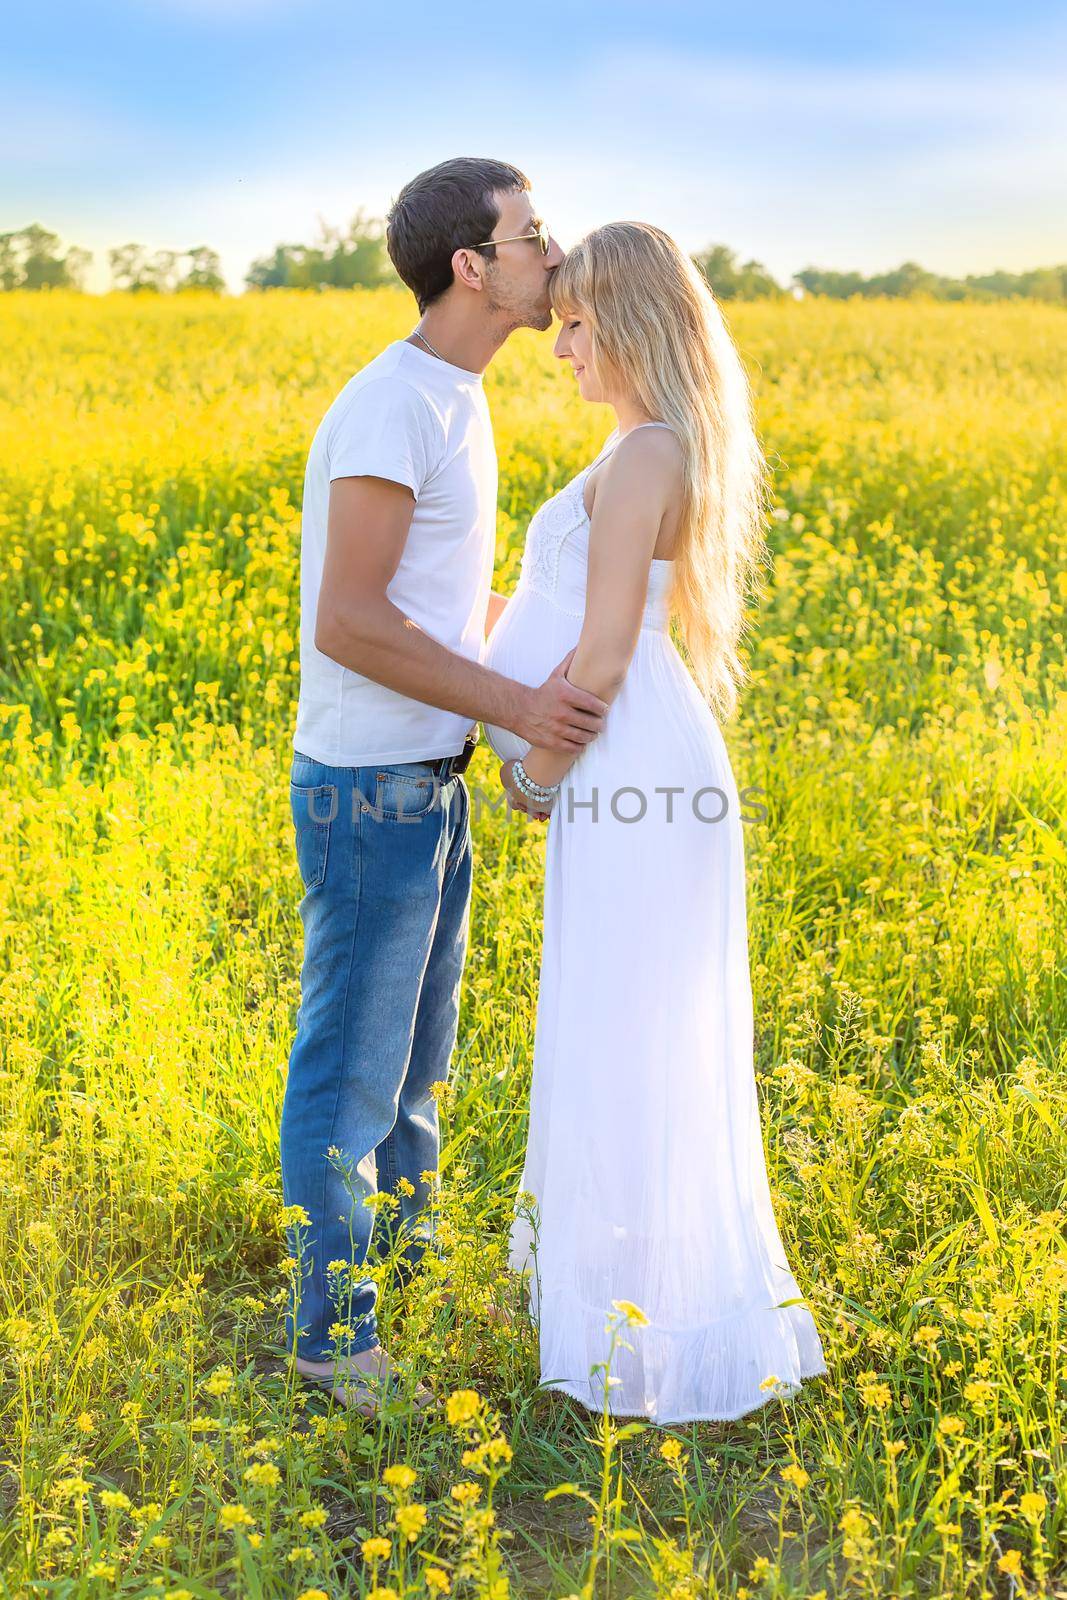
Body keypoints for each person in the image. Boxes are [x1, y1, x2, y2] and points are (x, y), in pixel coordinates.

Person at [482, 222, 828, 1422]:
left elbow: (607, 647)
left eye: (577, 325)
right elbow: (560, 606)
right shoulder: (641, 445)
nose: (560, 346)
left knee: (633, 1028)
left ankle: (653, 1330)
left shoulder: (641, 456)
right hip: (632, 760)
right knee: (622, 1022)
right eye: (560, 321)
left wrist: (530, 769)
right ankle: (629, 1298)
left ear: (627, 323)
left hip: (629, 760)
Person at [282, 157, 608, 1417]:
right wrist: (525, 708)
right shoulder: (392, 408)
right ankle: (331, 1336)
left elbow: (434, 611)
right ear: (471, 266)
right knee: (351, 1072)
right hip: (371, 791)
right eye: (533, 236)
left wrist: (553, 662)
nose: (553, 256)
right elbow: (352, 624)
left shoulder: (459, 397)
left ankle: (404, 1272)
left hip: (431, 777)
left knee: (417, 1063)